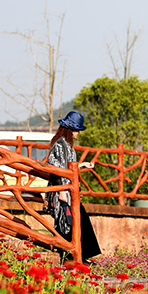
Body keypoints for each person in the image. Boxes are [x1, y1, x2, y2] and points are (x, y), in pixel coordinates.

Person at [46, 111, 101, 264]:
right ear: (69, 129)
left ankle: (81, 256)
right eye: (76, 130)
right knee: (66, 223)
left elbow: (68, 167)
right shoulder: (59, 145)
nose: (77, 133)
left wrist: (82, 165)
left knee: (78, 220)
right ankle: (72, 257)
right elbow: (56, 169)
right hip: (62, 191)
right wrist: (62, 190)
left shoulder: (67, 145)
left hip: (69, 191)